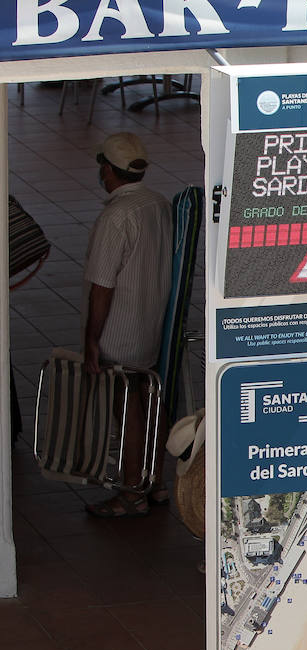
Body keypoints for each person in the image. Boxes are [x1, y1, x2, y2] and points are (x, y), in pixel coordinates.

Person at [83, 132, 173, 518]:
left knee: (129, 408)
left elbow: (102, 286)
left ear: (107, 170)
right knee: (150, 402)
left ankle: (132, 490)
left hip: (120, 330)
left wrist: (91, 339)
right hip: (153, 323)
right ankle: (155, 482)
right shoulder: (158, 204)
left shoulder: (116, 216)